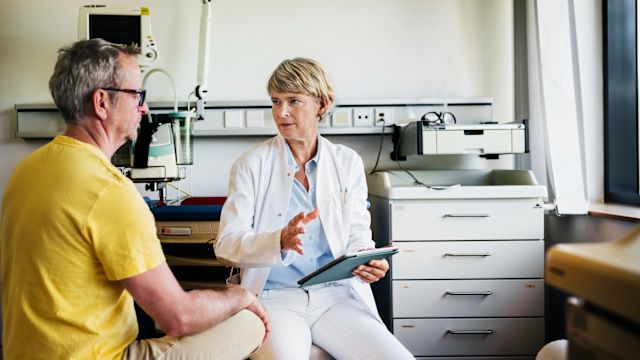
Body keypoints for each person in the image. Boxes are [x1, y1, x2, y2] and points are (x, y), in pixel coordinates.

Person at [0, 38, 269, 360]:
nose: (144, 107)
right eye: (137, 95)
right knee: (248, 324)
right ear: (101, 102)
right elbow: (178, 317)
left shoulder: (28, 169)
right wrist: (238, 295)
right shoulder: (108, 190)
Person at [215, 58, 413, 360]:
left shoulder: (346, 162)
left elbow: (358, 233)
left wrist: (367, 263)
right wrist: (277, 241)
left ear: (321, 104)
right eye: (276, 101)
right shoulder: (250, 165)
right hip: (275, 298)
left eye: (294, 100)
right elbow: (227, 245)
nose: (281, 112)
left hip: (336, 295)